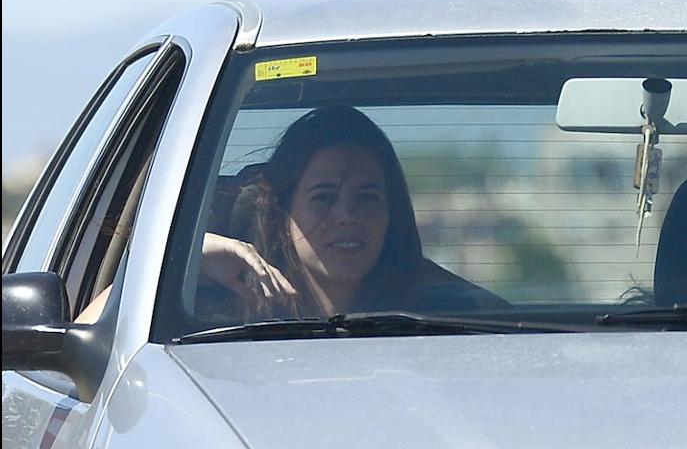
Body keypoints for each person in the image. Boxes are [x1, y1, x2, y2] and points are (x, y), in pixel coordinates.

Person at [196, 105, 507, 319]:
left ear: (391, 214)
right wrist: (193, 256)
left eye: (368, 197)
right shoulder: (212, 321)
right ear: (282, 213)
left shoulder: (452, 322)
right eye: (324, 197)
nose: (347, 215)